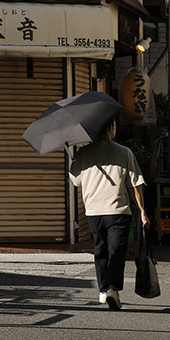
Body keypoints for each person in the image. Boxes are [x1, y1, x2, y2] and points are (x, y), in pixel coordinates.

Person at [68, 117, 151, 310]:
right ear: (111, 129)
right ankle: (112, 287)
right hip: (118, 211)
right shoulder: (124, 152)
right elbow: (135, 185)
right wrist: (142, 212)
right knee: (116, 250)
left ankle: (103, 291)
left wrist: (78, 160)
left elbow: (76, 181)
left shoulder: (83, 153)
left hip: (93, 212)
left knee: (101, 250)